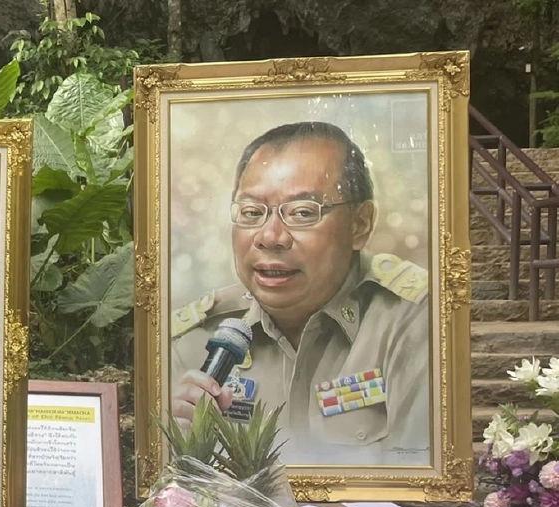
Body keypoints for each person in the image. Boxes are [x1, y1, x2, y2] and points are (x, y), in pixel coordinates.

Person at [168, 121, 431, 467]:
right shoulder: (193, 338)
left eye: (303, 213)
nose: (271, 236)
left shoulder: (414, 318)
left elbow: (420, 482)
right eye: (251, 213)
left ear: (360, 224)